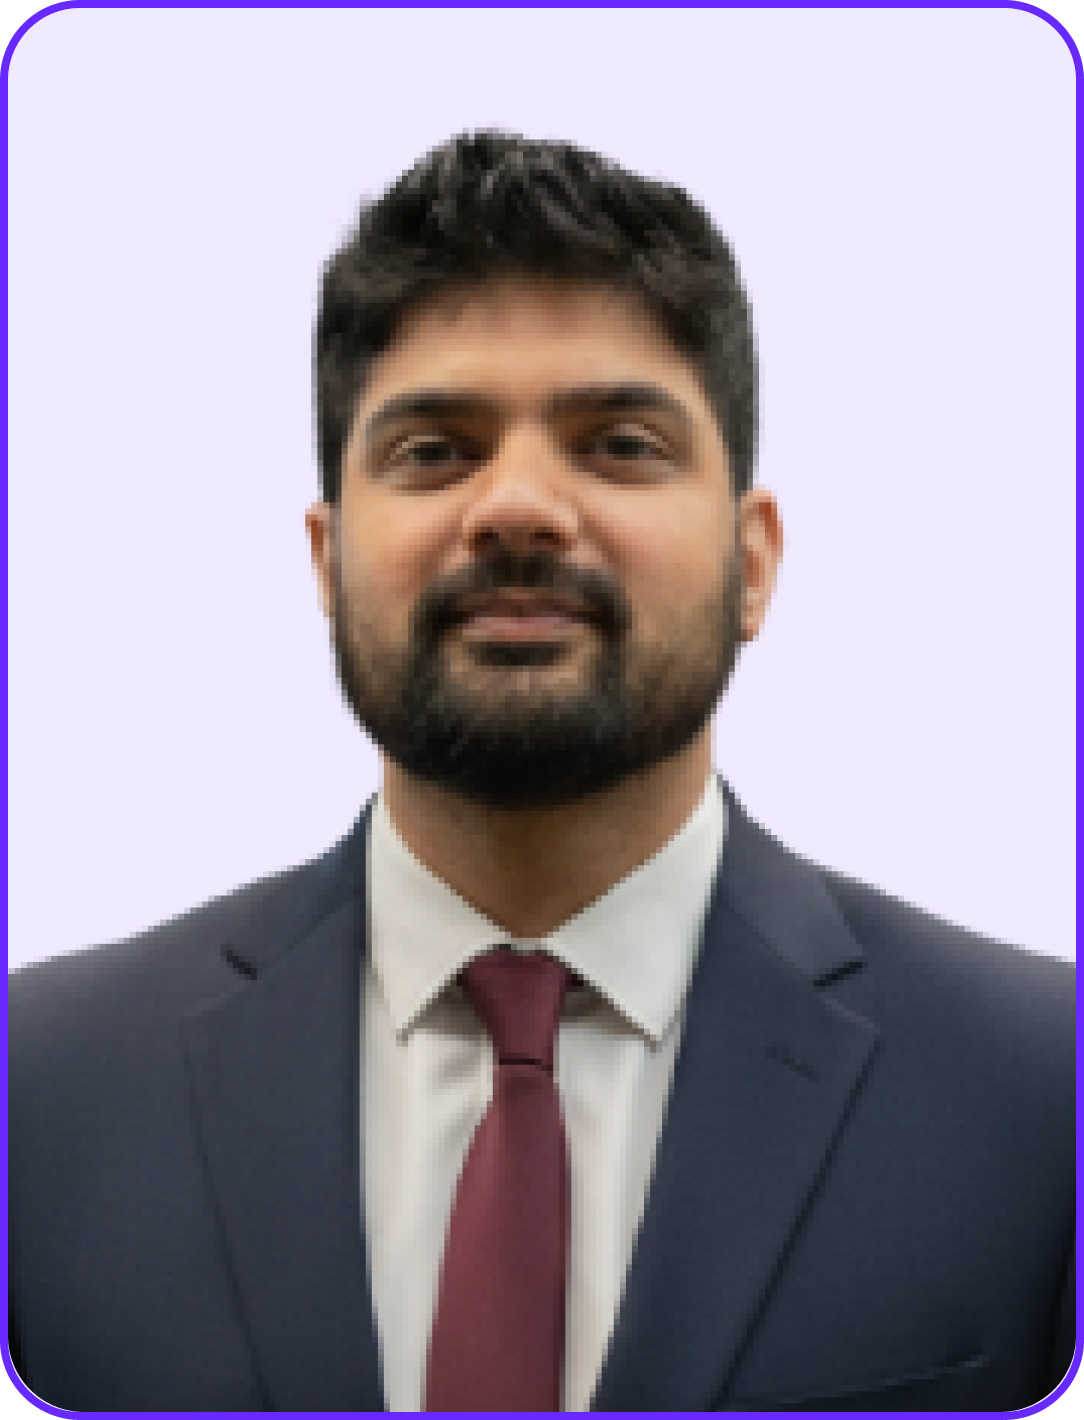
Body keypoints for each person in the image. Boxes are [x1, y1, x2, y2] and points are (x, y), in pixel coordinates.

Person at [7, 125, 1074, 1413]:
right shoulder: (38, 1088)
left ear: (753, 562)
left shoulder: (1045, 1091)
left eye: (619, 443)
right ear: (325, 561)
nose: (516, 506)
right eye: (434, 450)